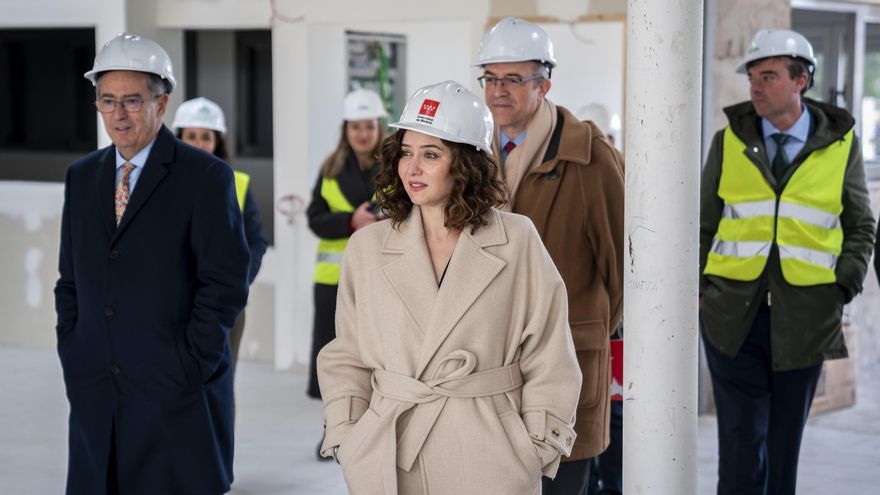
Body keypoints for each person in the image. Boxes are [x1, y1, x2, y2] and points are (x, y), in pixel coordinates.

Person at [316, 80, 582, 494]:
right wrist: (349, 436)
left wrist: (533, 448)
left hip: (491, 455)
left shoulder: (517, 241)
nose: (412, 169)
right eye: (406, 152)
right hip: (390, 449)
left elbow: (551, 355)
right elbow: (347, 355)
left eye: (430, 154)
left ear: (465, 163)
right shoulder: (367, 247)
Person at [53, 33, 250, 495]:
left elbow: (225, 282)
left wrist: (191, 362)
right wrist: (73, 350)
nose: (118, 114)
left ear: (161, 104)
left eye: (132, 101)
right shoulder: (81, 178)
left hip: (174, 391)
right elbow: (70, 280)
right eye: (107, 101)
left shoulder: (206, 177)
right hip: (97, 388)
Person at [700, 28, 875, 495]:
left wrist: (842, 287)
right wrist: (703, 293)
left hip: (806, 317)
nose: (755, 87)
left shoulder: (840, 145)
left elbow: (861, 225)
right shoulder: (728, 141)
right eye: (752, 77)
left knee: (784, 448)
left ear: (801, 80)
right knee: (739, 446)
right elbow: (703, 225)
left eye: (768, 76)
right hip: (731, 317)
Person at [474, 17, 625, 494]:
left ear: (544, 85)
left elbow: (623, 269)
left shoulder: (589, 157)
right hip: (490, 363)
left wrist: (581, 328)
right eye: (490, 78)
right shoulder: (472, 154)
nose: (498, 91)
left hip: (568, 361)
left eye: (513, 79)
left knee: (563, 483)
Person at [305, 88, 386, 458]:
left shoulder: (395, 167)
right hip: (333, 282)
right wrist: (351, 221)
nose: (362, 134)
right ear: (346, 130)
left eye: (368, 126)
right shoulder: (330, 169)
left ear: (378, 127)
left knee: (376, 358)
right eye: (355, 127)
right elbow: (315, 218)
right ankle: (333, 431)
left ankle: (373, 433)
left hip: (380, 279)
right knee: (334, 359)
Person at [172, 97, 268, 376]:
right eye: (191, 136)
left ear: (217, 142)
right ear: (179, 139)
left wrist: (238, 282)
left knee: (220, 381)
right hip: (176, 304)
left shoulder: (238, 183)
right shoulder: (162, 183)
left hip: (226, 304)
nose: (199, 143)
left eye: (206, 137)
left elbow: (256, 242)